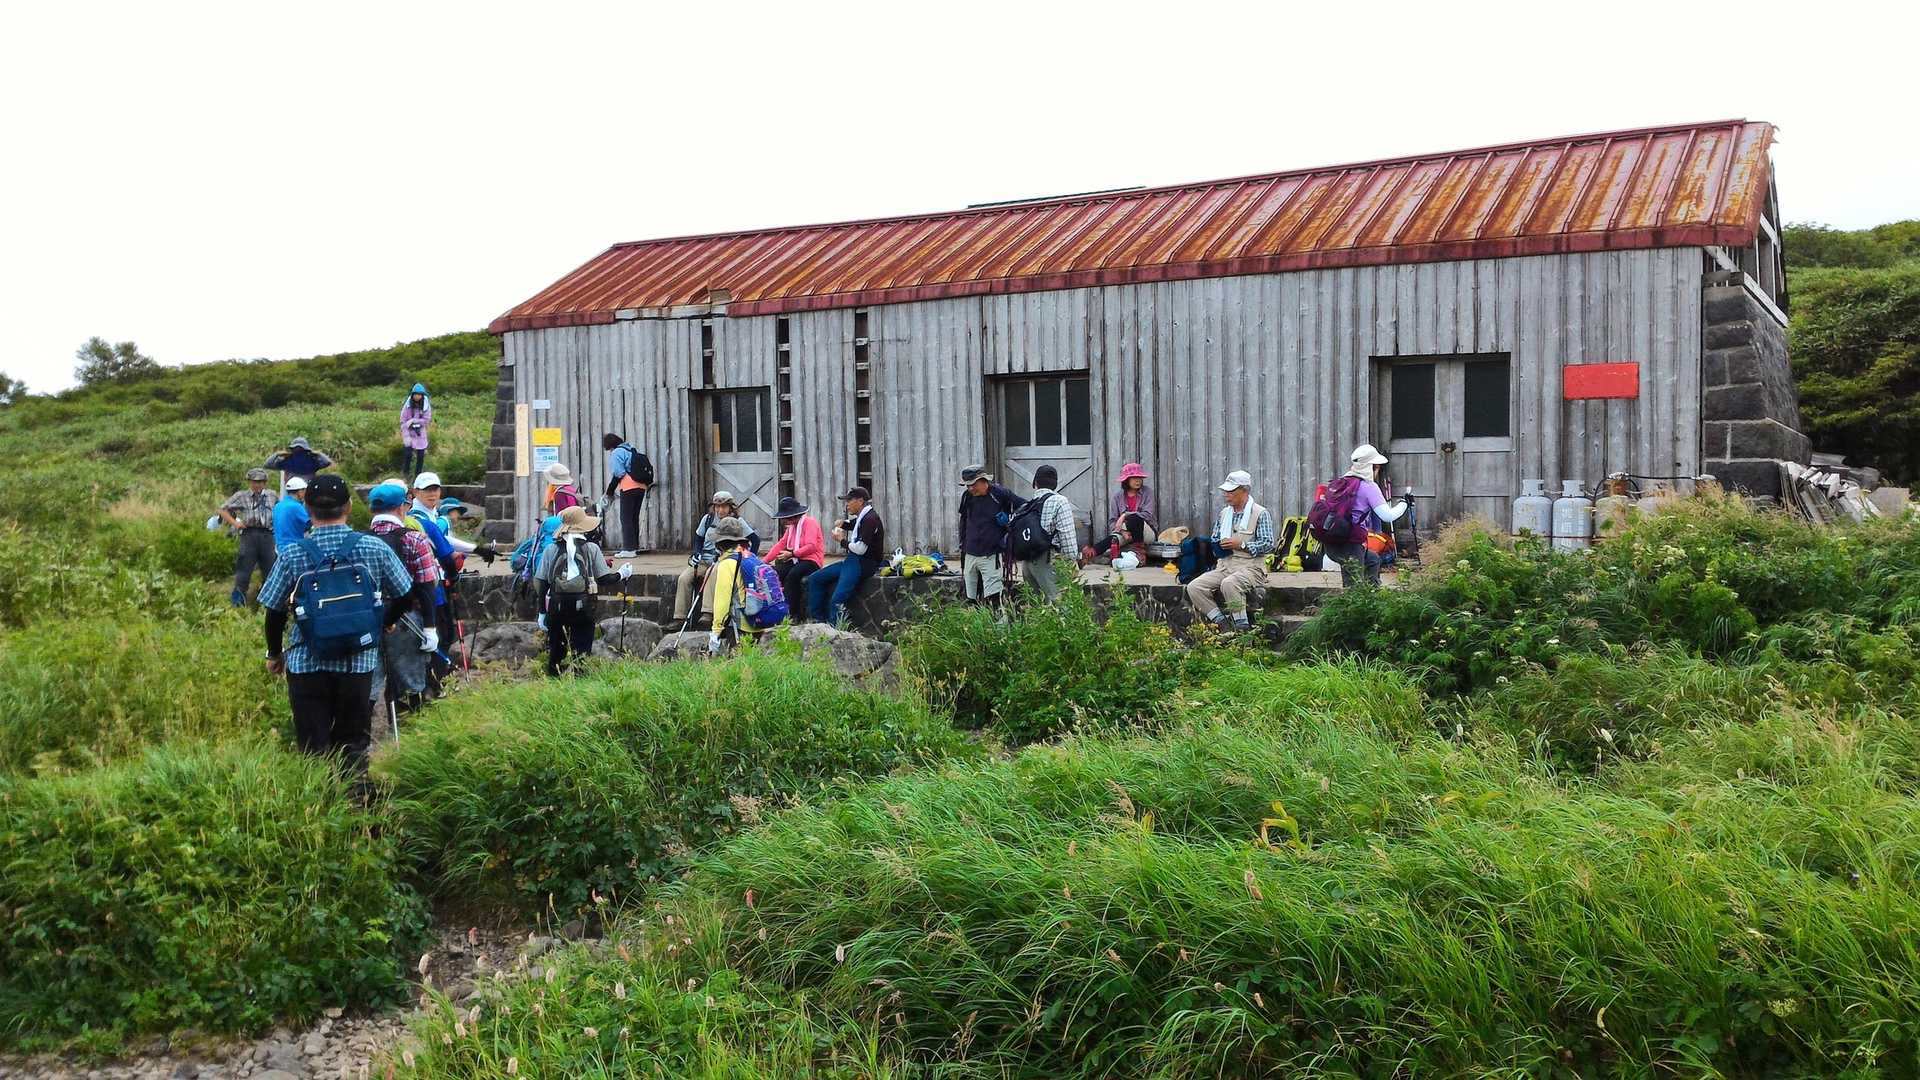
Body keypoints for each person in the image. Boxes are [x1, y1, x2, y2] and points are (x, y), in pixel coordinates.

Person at [257, 475, 413, 778]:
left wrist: (274, 653)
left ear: (308, 509)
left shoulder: (292, 553)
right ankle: (357, 799)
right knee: (353, 742)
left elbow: (273, 612)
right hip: (358, 662)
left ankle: (318, 800)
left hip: (306, 662)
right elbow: (405, 594)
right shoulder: (373, 547)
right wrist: (384, 623)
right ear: (349, 507)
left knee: (313, 747)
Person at [366, 483, 440, 714]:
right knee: (410, 683)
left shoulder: (359, 541)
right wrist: (430, 628)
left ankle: (360, 733)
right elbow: (427, 587)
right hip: (406, 618)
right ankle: (407, 731)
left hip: (368, 619)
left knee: (368, 686)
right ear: (401, 507)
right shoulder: (415, 539)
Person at [534, 504, 630, 676]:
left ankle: (554, 680)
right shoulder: (591, 548)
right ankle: (580, 679)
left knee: (556, 652)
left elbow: (542, 583)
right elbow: (604, 579)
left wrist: (542, 612)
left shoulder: (551, 549)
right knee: (582, 651)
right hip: (584, 608)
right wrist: (622, 574)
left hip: (557, 607)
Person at [1185, 470, 1277, 631]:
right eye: (1225, 491)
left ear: (1244, 490)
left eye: (1231, 491)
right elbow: (1215, 537)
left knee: (1229, 584)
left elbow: (1268, 544)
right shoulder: (1224, 514)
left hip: (1251, 568)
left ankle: (1242, 628)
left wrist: (1242, 545)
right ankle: (1222, 623)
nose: (1226, 494)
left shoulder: (1260, 513)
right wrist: (1217, 545)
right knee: (1194, 587)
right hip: (1225, 566)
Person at [1322, 444, 1406, 588]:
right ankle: (1361, 601)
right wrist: (1404, 504)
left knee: (1373, 560)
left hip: (1331, 542)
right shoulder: (1368, 487)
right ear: (1371, 467)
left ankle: (1372, 595)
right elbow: (1387, 516)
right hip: (1350, 544)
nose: (1378, 471)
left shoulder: (1341, 482)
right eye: (1377, 467)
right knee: (1353, 588)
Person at [671, 492, 760, 623]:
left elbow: (755, 540)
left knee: (710, 574)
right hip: (704, 559)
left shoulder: (737, 522)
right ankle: (680, 617)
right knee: (684, 578)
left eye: (724, 506)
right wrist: (696, 553)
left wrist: (749, 559)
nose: (720, 510)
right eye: (717, 506)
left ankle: (707, 612)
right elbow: (698, 539)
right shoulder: (707, 519)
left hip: (724, 560)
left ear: (730, 507)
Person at [807, 487, 883, 629]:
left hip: (863, 563)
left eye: (849, 501)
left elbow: (860, 549)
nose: (847, 504)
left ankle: (836, 631)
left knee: (837, 599)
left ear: (860, 501)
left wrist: (841, 540)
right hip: (852, 561)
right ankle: (818, 622)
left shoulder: (870, 519)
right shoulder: (864, 516)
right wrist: (843, 524)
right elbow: (855, 524)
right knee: (815, 579)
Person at [956, 465, 1018, 609]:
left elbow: (1023, 507)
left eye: (973, 485)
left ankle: (999, 623)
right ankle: (975, 623)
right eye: (967, 485)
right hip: (970, 553)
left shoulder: (1000, 494)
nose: (970, 488)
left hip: (991, 555)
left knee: (994, 598)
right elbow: (963, 521)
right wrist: (963, 545)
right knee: (970, 598)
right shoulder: (967, 497)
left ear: (984, 480)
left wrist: (1009, 520)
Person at [704, 516, 766, 653]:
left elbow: (722, 602)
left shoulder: (726, 564)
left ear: (719, 544)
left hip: (740, 625)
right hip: (759, 621)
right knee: (754, 661)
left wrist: (716, 631)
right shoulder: (750, 557)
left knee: (737, 662)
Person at [1017, 465, 1078, 602]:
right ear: (1055, 484)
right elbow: (1067, 536)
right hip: (1048, 560)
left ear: (1035, 483)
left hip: (1027, 563)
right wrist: (1071, 561)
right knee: (1059, 605)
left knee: (1036, 606)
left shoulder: (1028, 505)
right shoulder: (1060, 502)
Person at [219, 467, 278, 606]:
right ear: (249, 482)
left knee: (270, 569)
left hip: (267, 535)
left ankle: (268, 603)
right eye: (254, 482)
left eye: (260, 482)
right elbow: (222, 509)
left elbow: (279, 509)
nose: (257, 485)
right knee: (244, 569)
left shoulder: (272, 495)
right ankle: (238, 602)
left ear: (265, 483)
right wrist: (235, 523)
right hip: (249, 534)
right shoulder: (242, 496)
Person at [764, 495, 824, 621]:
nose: (783, 521)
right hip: (796, 559)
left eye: (785, 518)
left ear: (792, 516)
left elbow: (811, 546)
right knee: (774, 572)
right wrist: (764, 561)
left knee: (793, 576)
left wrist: (792, 554)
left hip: (812, 560)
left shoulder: (810, 523)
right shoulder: (792, 527)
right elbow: (781, 544)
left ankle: (791, 614)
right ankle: (775, 607)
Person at [1092, 462, 1157, 564]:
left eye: (1139, 477)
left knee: (1134, 518)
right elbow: (1112, 521)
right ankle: (1089, 555)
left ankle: (1140, 554)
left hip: (1146, 532)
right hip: (1126, 532)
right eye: (1134, 478)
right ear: (1126, 480)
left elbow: (1148, 515)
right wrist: (1122, 532)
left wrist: (1125, 515)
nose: (1138, 480)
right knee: (1113, 539)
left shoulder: (1147, 492)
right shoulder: (1117, 497)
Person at [603, 433, 654, 558]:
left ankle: (629, 549)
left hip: (628, 486)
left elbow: (618, 473)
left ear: (610, 446)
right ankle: (634, 547)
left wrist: (609, 491)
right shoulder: (630, 450)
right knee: (634, 517)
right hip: (641, 486)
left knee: (625, 518)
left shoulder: (617, 452)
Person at [264, 436, 333, 483]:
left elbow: (267, 464)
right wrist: (318, 454)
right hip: (293, 490)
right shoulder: (288, 462)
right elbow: (327, 462)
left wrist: (277, 454)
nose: (299, 452)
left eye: (301, 449)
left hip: (307, 489)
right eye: (296, 449)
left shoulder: (311, 462)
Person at [399, 383, 432, 478]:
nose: (417, 396)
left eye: (419, 394)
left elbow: (426, 420)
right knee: (408, 454)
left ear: (422, 395)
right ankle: (405, 474)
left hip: (420, 433)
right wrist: (408, 426)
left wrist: (414, 421)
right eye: (415, 394)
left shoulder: (426, 405)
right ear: (412, 395)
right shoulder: (407, 405)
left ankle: (418, 475)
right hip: (408, 432)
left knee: (420, 455)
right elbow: (403, 419)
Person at [273, 475, 312, 549]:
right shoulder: (296, 506)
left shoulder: (278, 505)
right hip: (293, 546)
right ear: (300, 492)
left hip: (279, 547)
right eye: (304, 491)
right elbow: (310, 524)